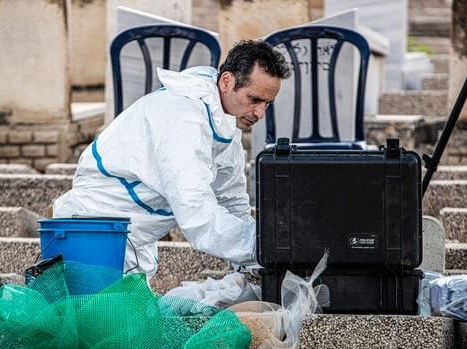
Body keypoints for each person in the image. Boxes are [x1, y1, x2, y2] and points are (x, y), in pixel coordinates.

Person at [53, 40, 290, 279]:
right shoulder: (182, 119)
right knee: (94, 312)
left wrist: (254, 259)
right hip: (91, 234)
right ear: (227, 81)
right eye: (254, 99)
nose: (260, 113)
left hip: (133, 242)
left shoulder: (225, 124)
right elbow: (197, 214)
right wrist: (266, 248)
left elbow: (231, 200)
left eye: (267, 104)